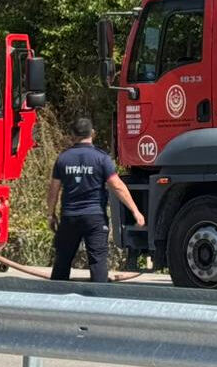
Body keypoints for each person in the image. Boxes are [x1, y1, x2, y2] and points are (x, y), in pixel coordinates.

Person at [47, 118, 145, 282]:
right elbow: (117, 186)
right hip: (95, 218)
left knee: (62, 261)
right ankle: (100, 300)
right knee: (98, 262)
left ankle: (54, 299)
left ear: (72, 135)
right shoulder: (101, 158)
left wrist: (50, 214)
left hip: (69, 217)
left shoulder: (63, 158)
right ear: (93, 134)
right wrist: (135, 212)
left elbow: (53, 190)